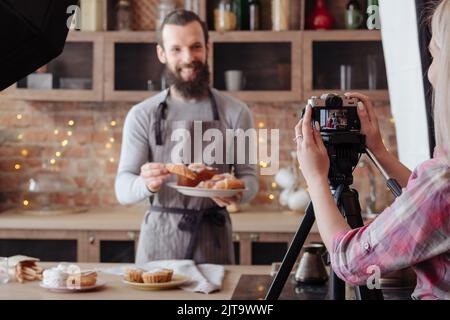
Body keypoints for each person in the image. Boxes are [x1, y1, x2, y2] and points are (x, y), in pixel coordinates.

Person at [294, 0, 449, 300]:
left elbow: (349, 261)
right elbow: (428, 206)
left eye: (433, 58)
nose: (429, 73)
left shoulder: (441, 181)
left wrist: (315, 180)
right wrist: (378, 149)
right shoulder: (438, 181)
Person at [115, 10, 258, 265]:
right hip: (160, 238)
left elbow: (251, 178)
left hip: (213, 239)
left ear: (207, 48)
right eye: (176, 49)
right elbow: (122, 187)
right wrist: (146, 184)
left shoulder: (237, 112)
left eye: (195, 47)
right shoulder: (141, 114)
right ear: (161, 53)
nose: (188, 58)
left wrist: (236, 193)